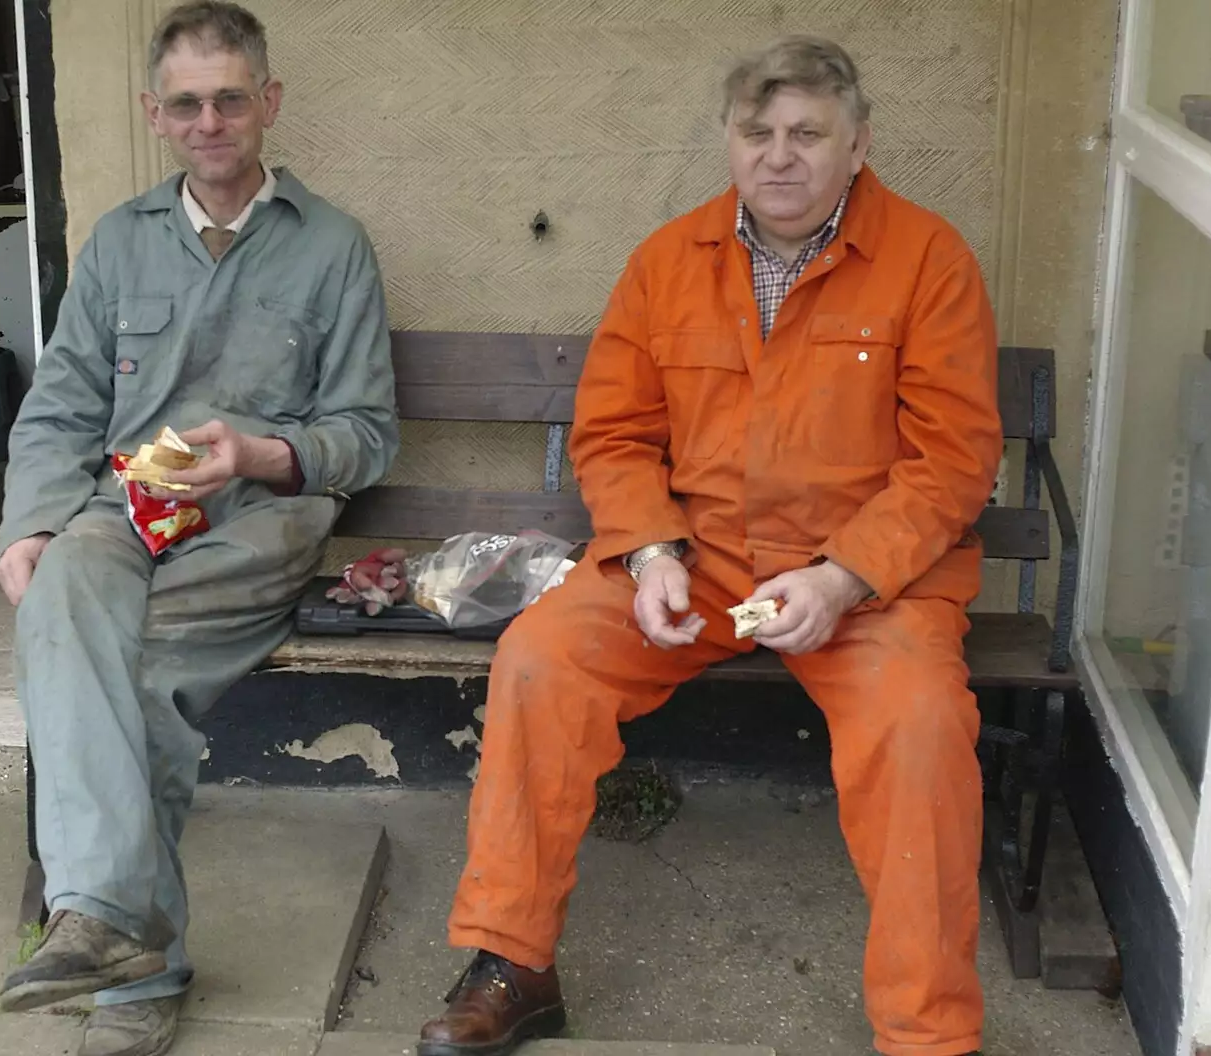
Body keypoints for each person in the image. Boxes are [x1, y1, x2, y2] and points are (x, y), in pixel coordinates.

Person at [417, 34, 1001, 1056]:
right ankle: (513, 963)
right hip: (699, 565)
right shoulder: (667, 261)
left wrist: (844, 574)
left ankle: (928, 1032)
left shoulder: (927, 260)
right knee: (539, 660)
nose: (780, 155)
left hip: (870, 582)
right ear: (729, 142)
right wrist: (647, 555)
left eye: (807, 134)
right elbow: (615, 433)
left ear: (856, 144)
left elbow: (952, 459)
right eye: (756, 132)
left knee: (920, 726)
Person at [0, 3, 399, 1054]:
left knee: (130, 679)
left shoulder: (333, 248)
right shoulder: (119, 245)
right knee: (58, 590)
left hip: (260, 521)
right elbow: (62, 407)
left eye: (230, 98)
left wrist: (261, 455)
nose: (210, 120)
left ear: (267, 102)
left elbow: (365, 432)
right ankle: (110, 926)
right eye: (187, 103)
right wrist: (26, 528)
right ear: (155, 115)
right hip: (131, 508)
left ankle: (130, 967)